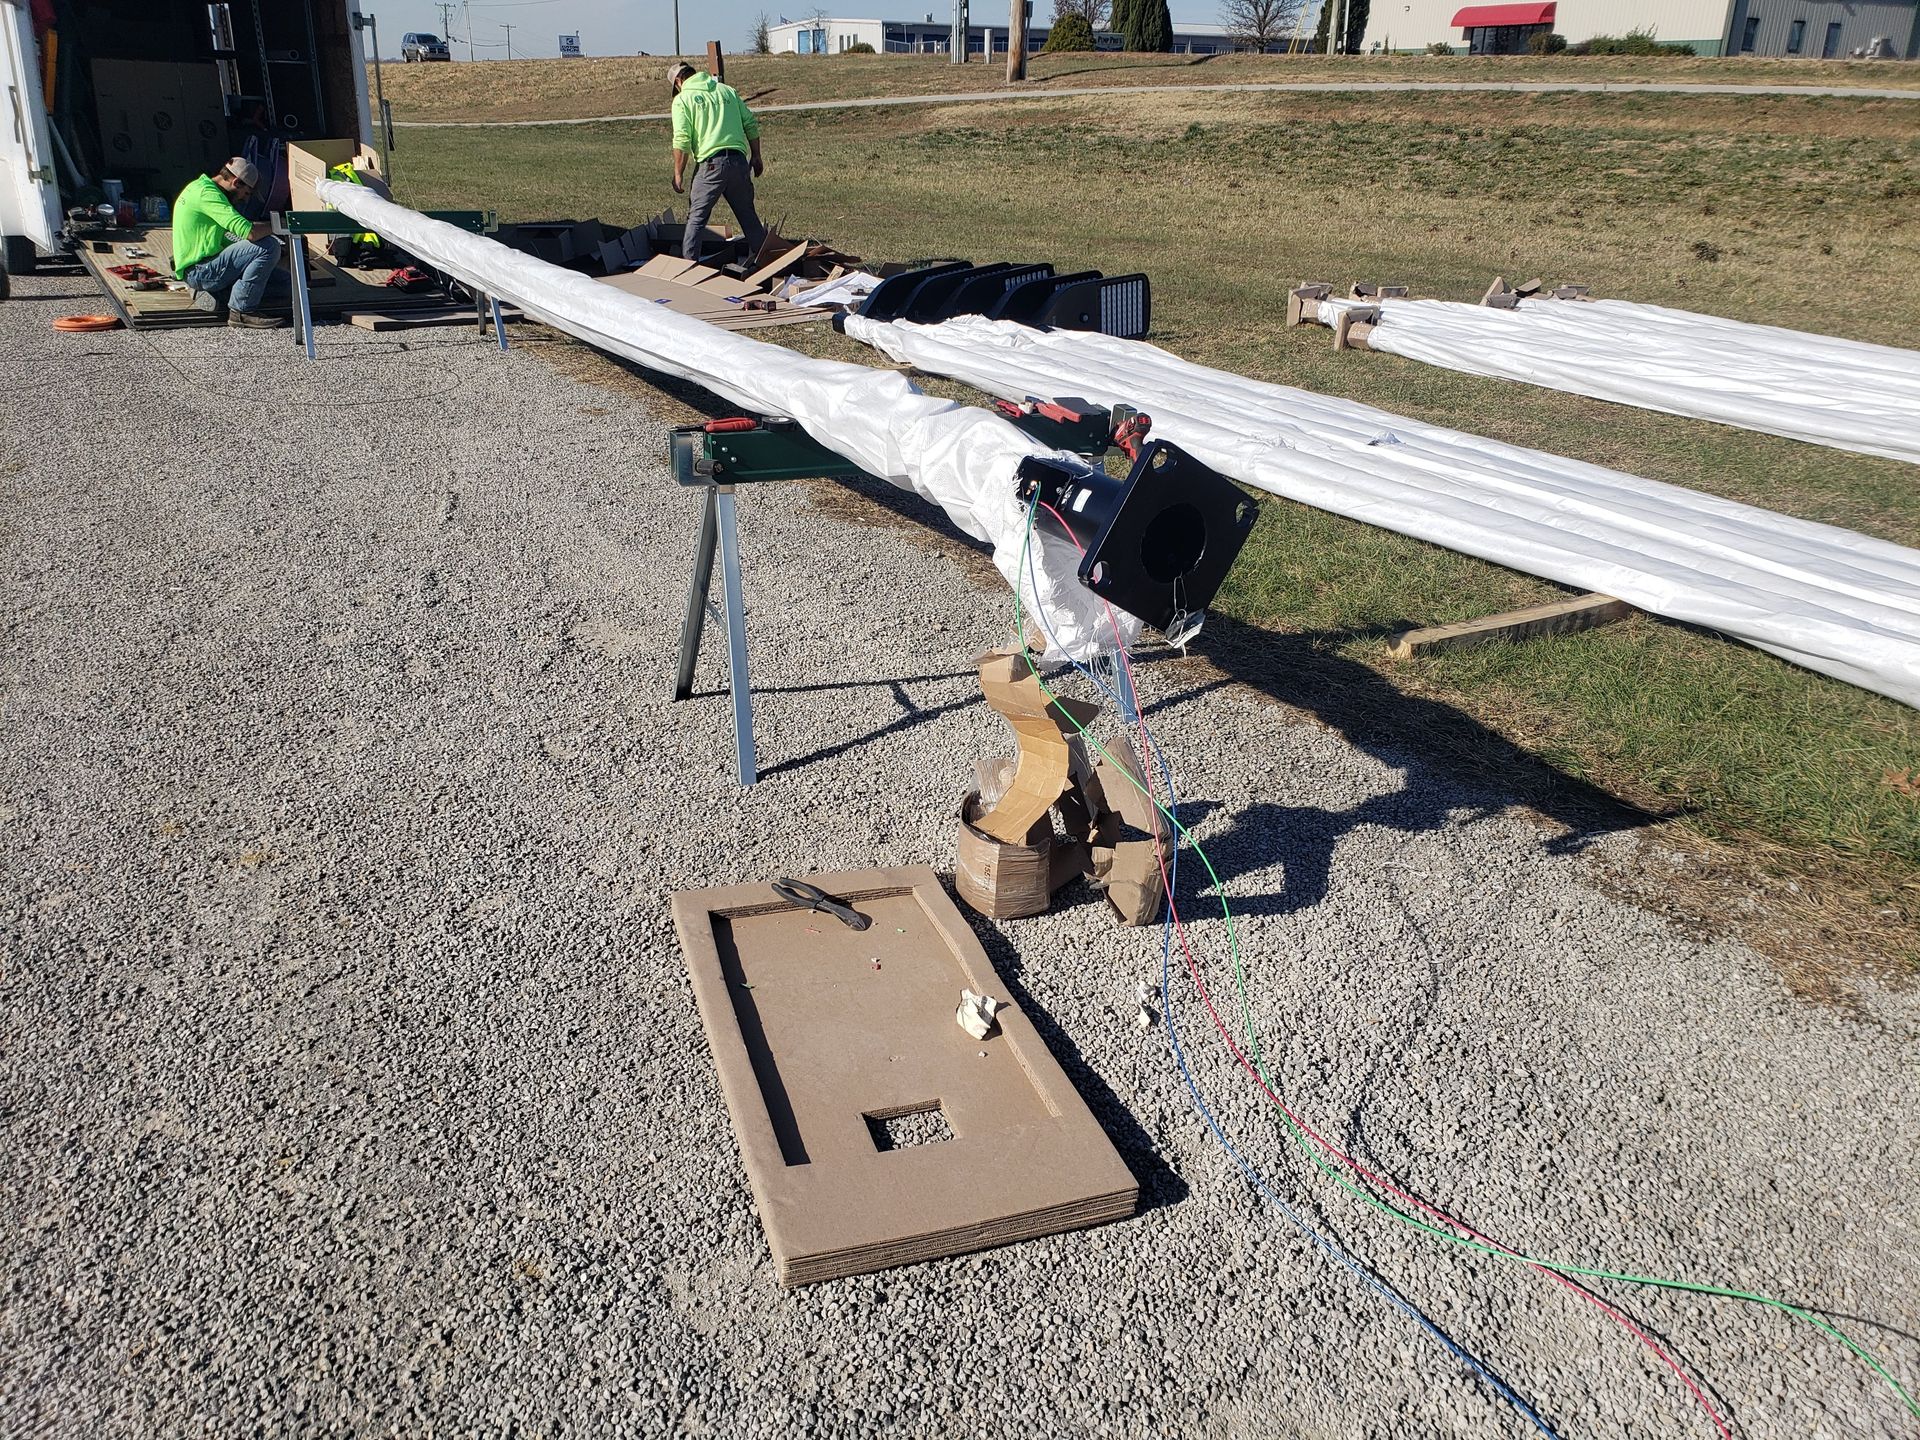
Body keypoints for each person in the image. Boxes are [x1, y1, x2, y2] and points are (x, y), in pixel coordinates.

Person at [170, 157, 291, 328]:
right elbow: (249, 232)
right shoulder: (208, 195)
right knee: (269, 247)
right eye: (246, 193)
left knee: (286, 284)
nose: (245, 199)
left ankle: (218, 295)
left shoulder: (200, 187)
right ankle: (241, 312)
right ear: (236, 182)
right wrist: (282, 226)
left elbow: (228, 236)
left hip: (207, 264)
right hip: (200, 270)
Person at [667, 61, 767, 263]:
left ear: (679, 81)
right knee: (748, 217)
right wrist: (756, 155)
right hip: (739, 162)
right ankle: (768, 262)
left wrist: (678, 173)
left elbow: (682, 139)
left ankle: (688, 267)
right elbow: (749, 122)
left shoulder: (682, 100)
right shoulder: (727, 91)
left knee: (696, 218)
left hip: (711, 165)